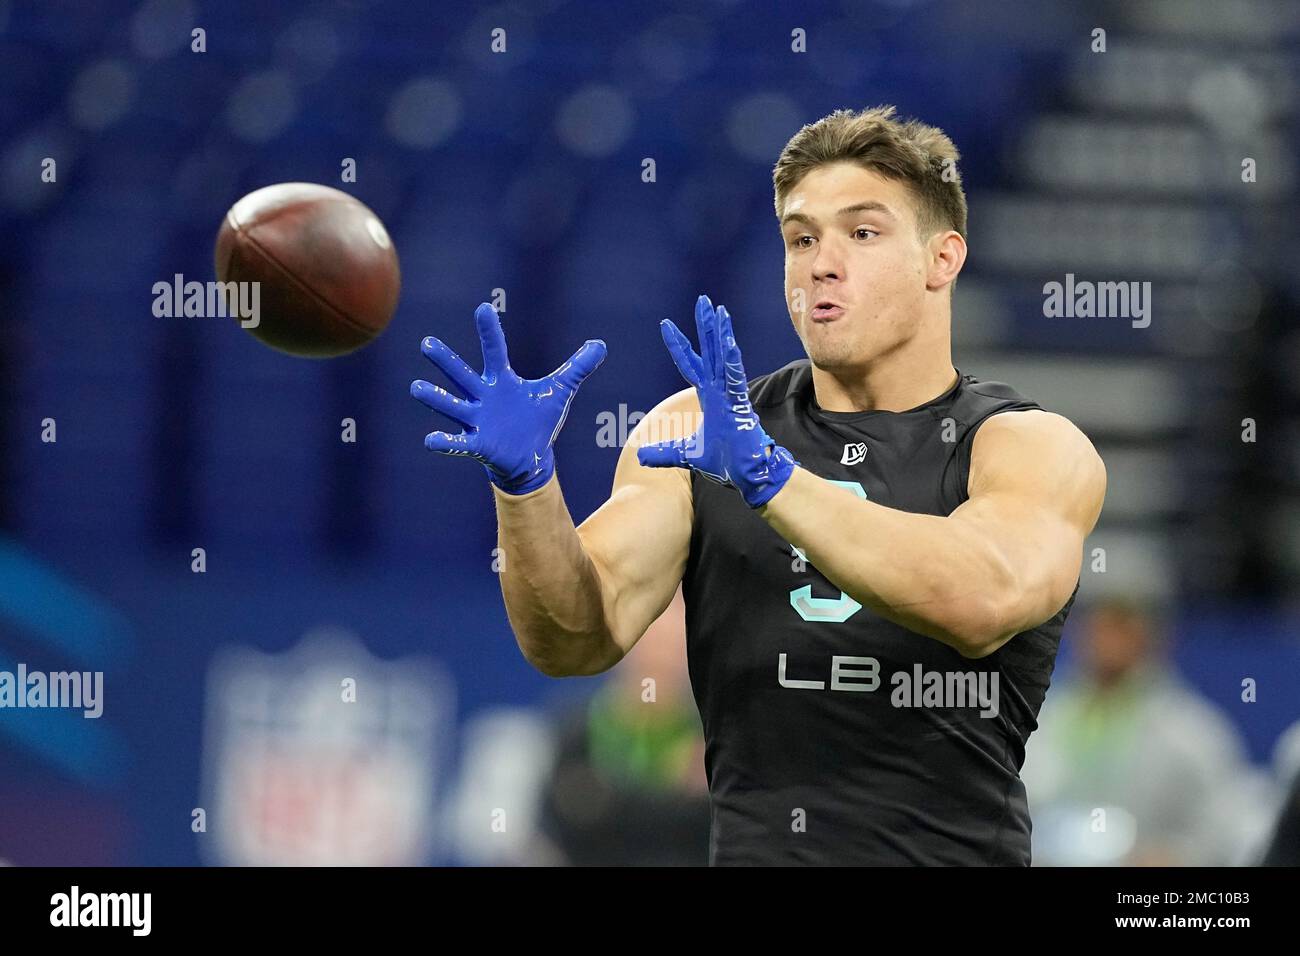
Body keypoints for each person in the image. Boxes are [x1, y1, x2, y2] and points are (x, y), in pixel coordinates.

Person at [411, 105, 1107, 865]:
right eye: (801, 237)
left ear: (942, 259)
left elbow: (983, 601)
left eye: (862, 233)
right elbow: (575, 639)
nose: (822, 262)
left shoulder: (1023, 446)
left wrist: (774, 480)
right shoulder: (696, 431)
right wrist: (527, 491)